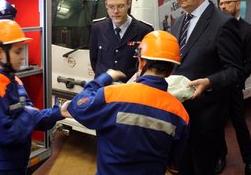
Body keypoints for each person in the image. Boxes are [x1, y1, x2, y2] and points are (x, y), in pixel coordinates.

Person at [67, 30, 190, 175]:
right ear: (170, 71)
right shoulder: (180, 113)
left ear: (141, 61)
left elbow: (77, 106)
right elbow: (173, 158)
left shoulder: (111, 95)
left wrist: (104, 78)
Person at [170, 0, 243, 175]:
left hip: (206, 118)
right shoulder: (178, 23)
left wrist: (209, 82)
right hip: (180, 115)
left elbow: (235, 72)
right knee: (183, 168)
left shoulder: (223, 23)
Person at [0, 19, 71, 175]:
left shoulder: (15, 81)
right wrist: (28, 114)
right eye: (17, 51)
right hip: (0, 168)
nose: (22, 56)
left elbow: (33, 116)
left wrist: (59, 113)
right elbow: (5, 135)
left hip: (18, 162)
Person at [215, 0, 251, 174]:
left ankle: (249, 159)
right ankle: (221, 156)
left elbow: (249, 62)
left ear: (238, 5)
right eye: (221, 3)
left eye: (228, 3)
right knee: (218, 123)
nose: (223, 7)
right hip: (218, 86)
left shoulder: (247, 30)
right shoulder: (217, 27)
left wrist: (237, 79)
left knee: (239, 124)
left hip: (235, 86)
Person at [89, 0, 153, 83]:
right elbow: (94, 61)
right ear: (106, 6)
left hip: (130, 91)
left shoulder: (144, 31)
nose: (115, 11)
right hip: (103, 90)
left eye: (120, 6)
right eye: (111, 6)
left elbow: (146, 66)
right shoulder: (98, 28)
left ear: (129, 4)